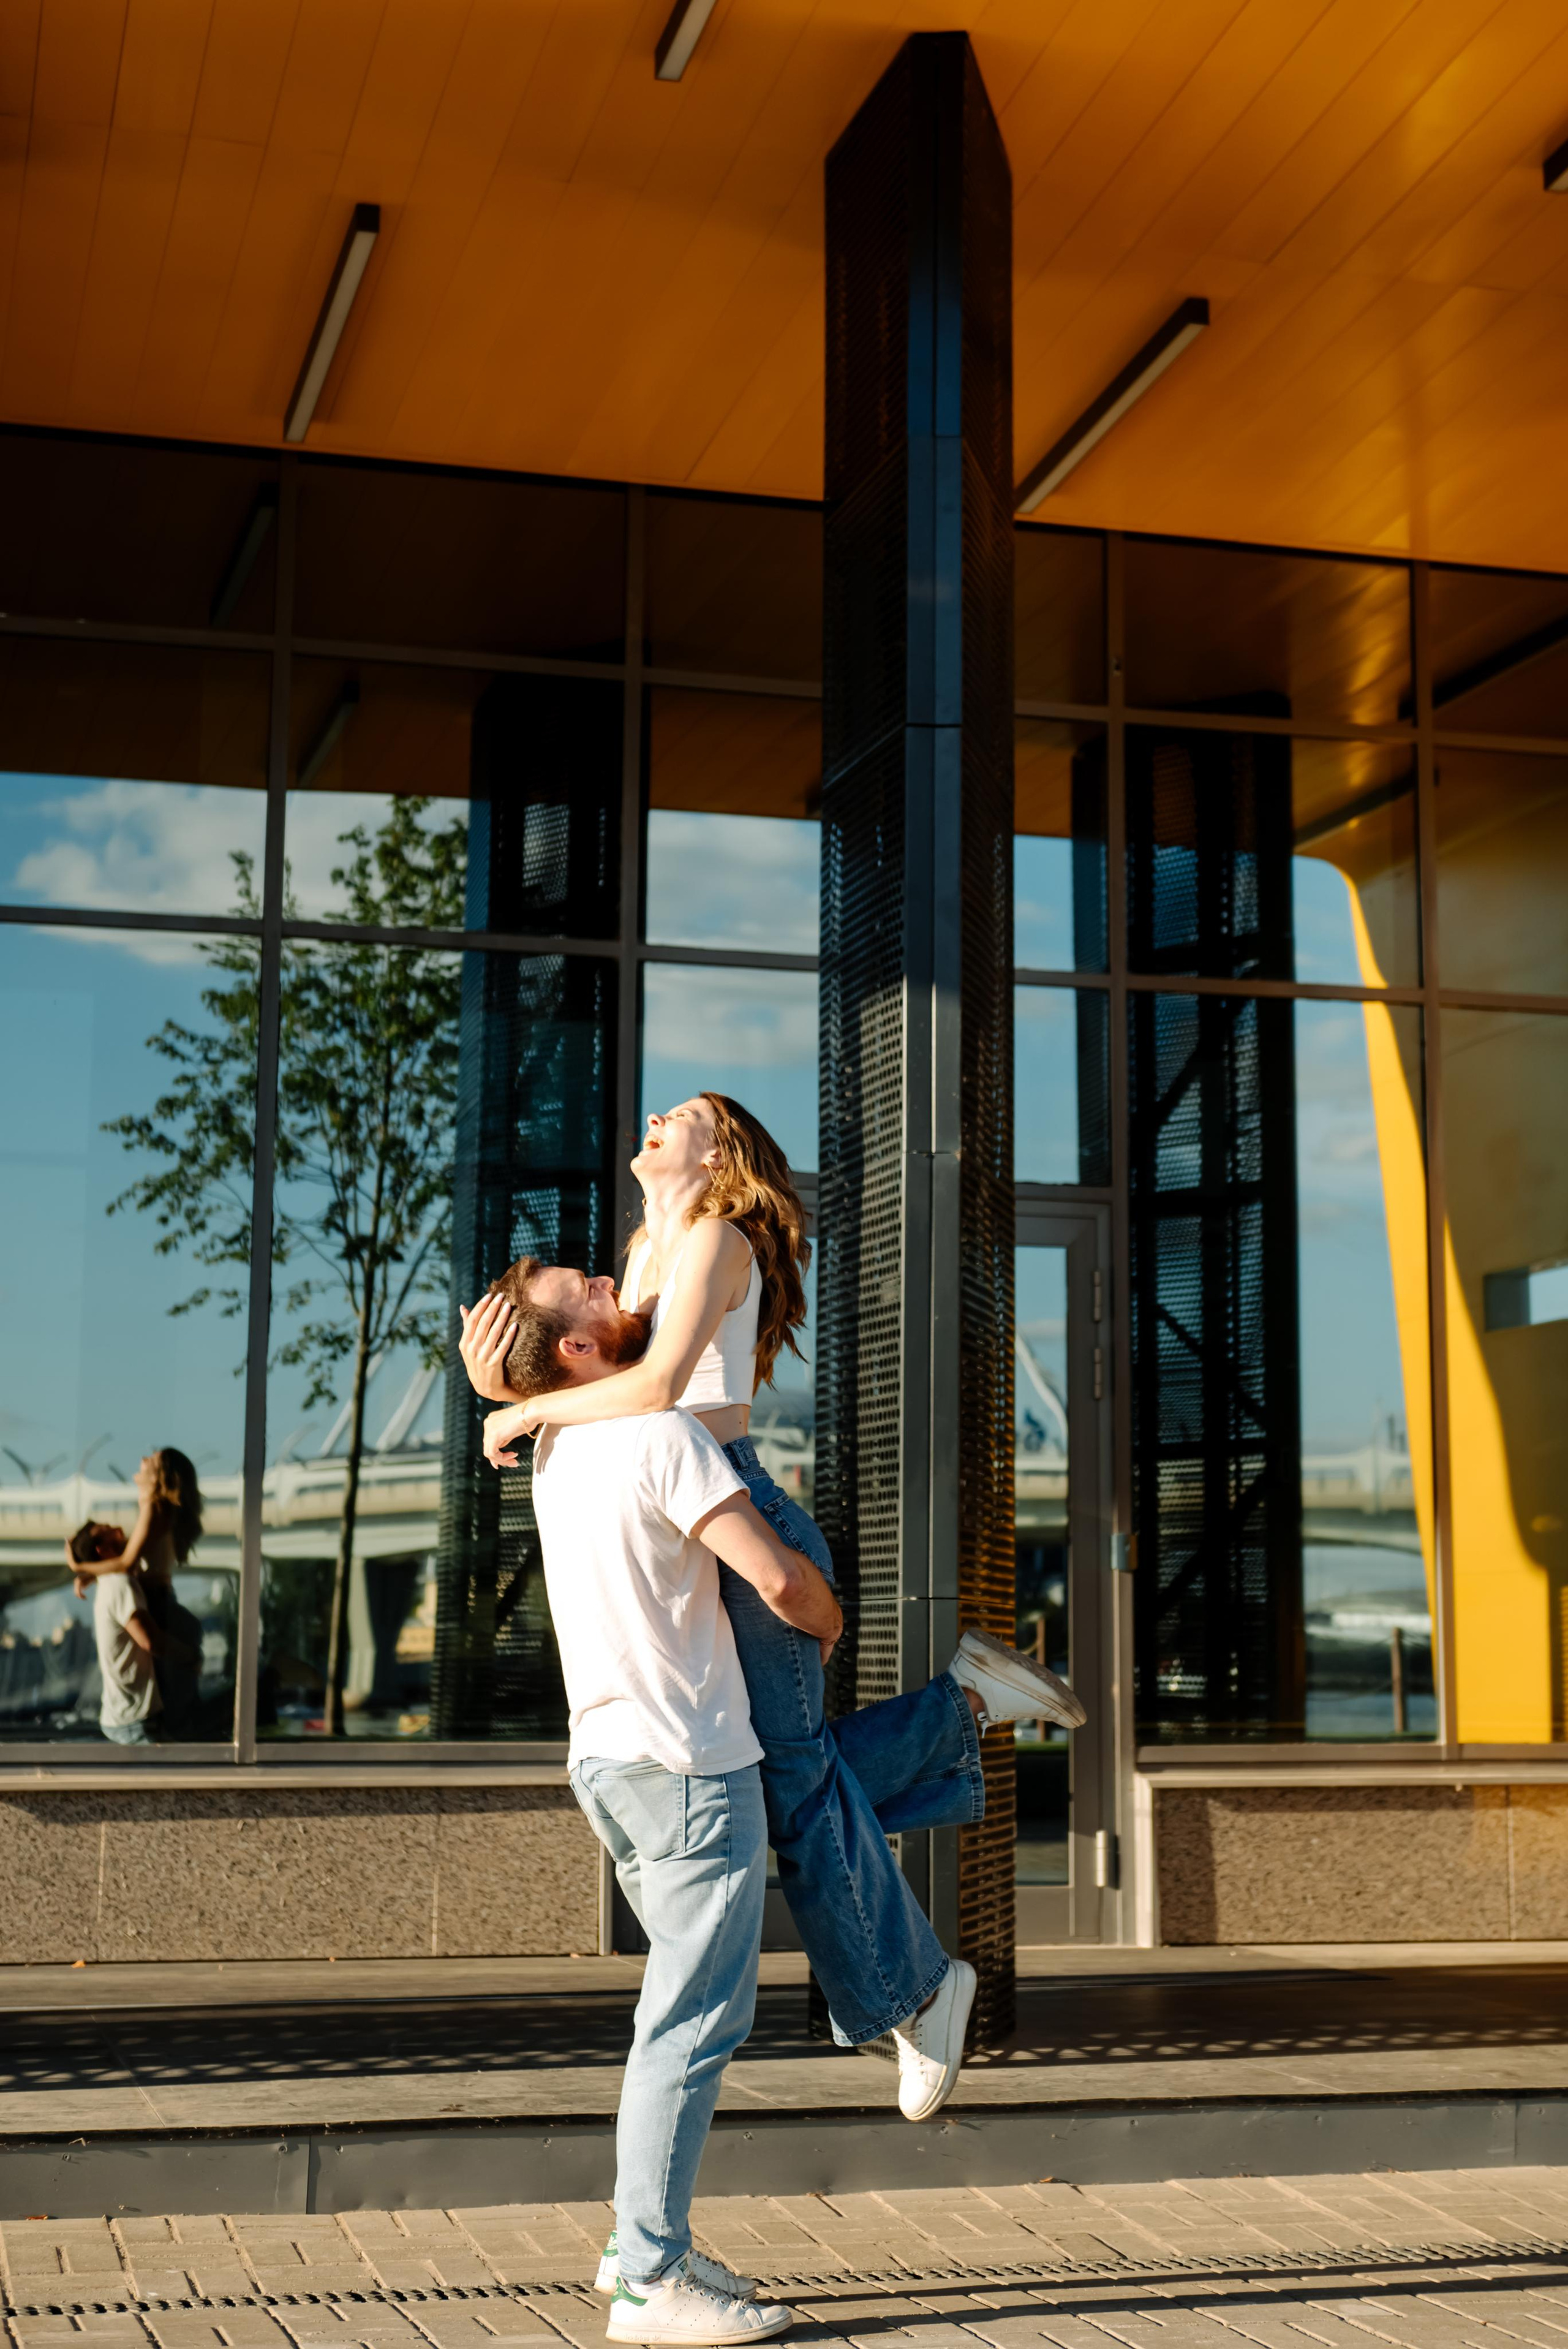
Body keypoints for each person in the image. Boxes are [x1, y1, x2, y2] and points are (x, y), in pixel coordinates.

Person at [462, 1094, 1085, 2125]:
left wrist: (522, 1406)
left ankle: (921, 1991)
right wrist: (508, 1375)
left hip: (737, 1503)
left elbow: (658, 1382)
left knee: (792, 1780)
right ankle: (964, 1708)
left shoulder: (715, 1236)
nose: (660, 1115)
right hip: (692, 1508)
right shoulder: (638, 1247)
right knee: (782, 1782)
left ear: (724, 1152)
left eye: (689, 1113)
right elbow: (590, 1361)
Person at [526, 1292, 843, 2344]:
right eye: (591, 1289)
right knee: (693, 2020)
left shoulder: (557, 1446)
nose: (620, 1287)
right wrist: (830, 1616)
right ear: (577, 1345)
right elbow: (774, 1574)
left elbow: (540, 1383)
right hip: (689, 1764)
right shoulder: (660, 1435)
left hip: (610, 1761)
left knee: (678, 2008)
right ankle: (648, 2280)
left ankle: (636, 2244)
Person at [69, 1450, 205, 1735]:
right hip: (161, 1603)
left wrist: (80, 1566)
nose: (141, 1458)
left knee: (178, 1714)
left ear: (158, 1476)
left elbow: (127, 1562)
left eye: (150, 1459)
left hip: (159, 1606)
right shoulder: (154, 1509)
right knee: (180, 1710)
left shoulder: (154, 1509)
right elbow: (129, 1557)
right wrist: (92, 1577)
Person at [67, 1519, 164, 1746]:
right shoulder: (119, 1583)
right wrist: (188, 1656)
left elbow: (129, 1561)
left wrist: (88, 1572)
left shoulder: (114, 1580)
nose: (115, 1526)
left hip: (126, 1716)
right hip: (135, 1719)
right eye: (107, 1530)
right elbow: (150, 1642)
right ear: (103, 1550)